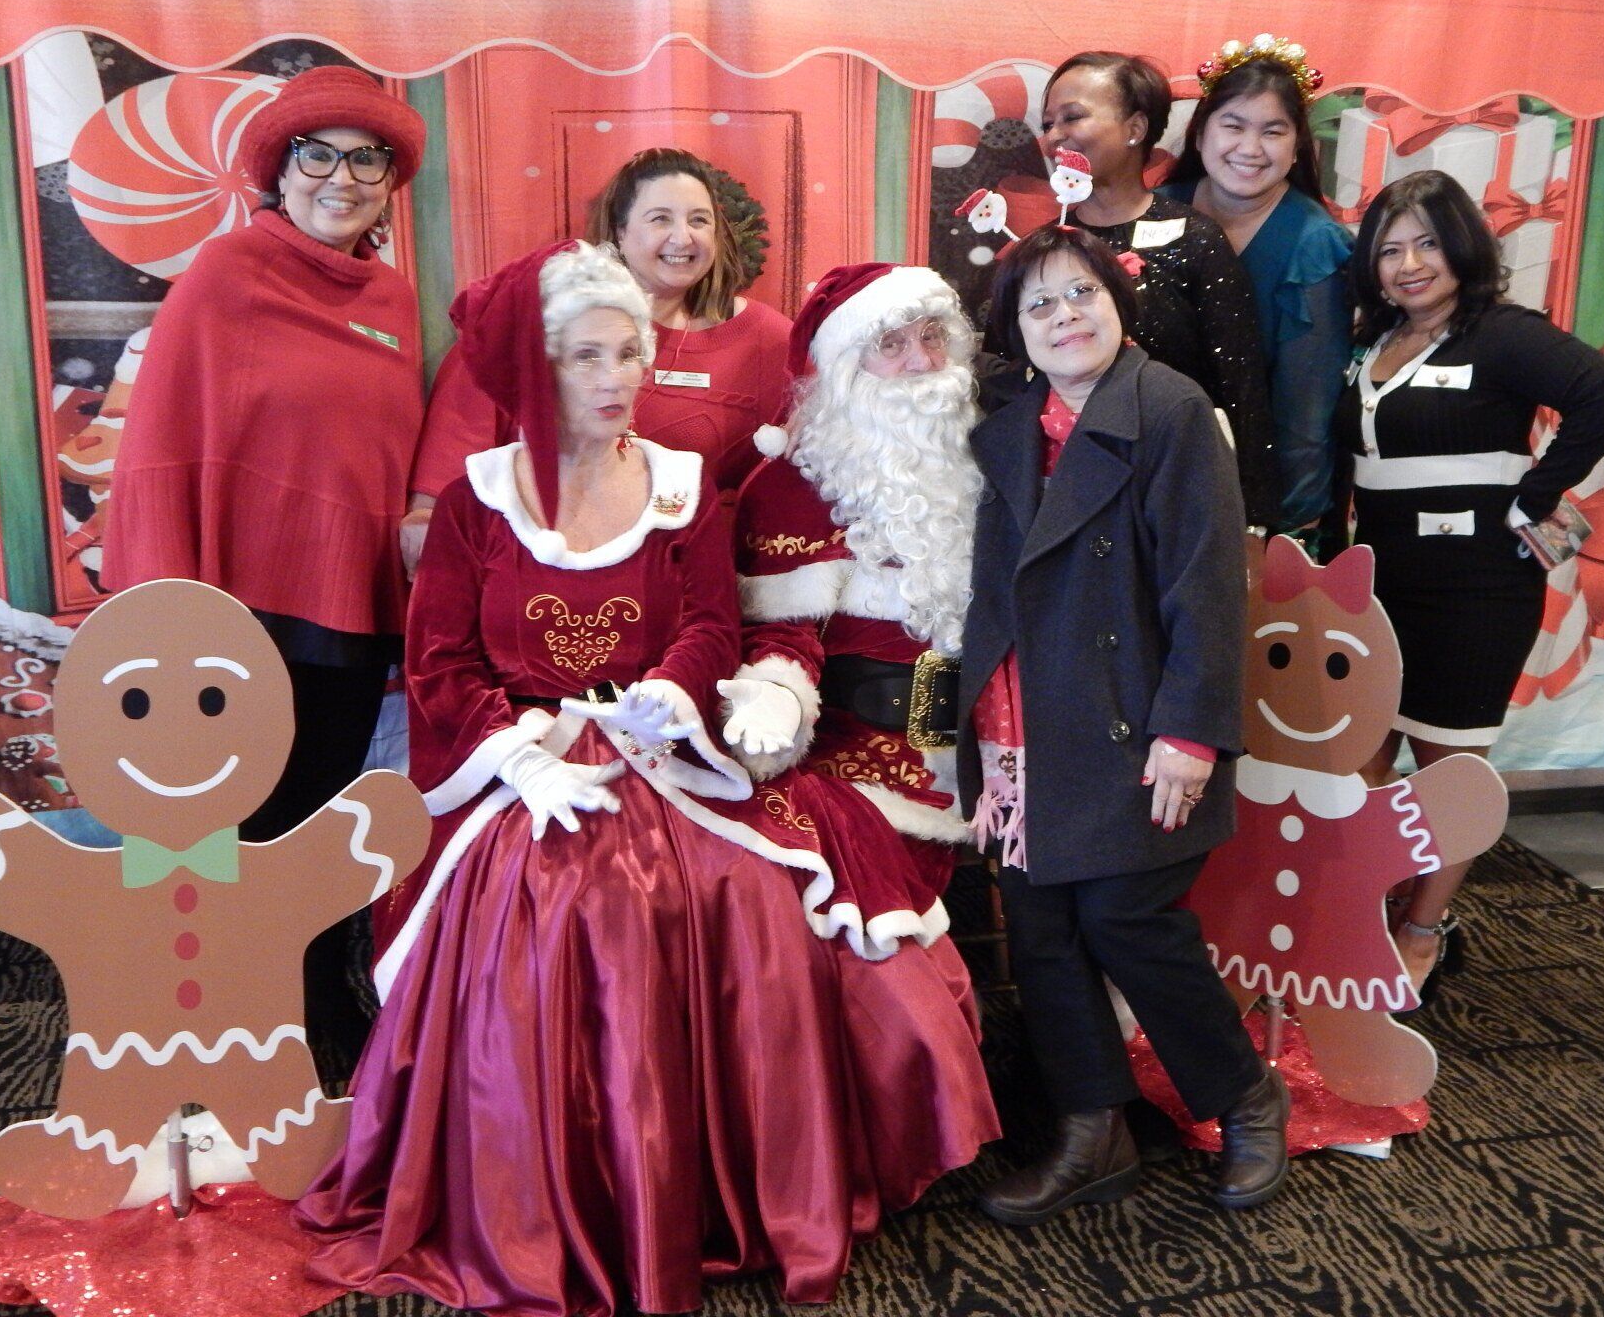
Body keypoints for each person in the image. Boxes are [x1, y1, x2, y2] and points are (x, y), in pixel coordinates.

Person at [299, 242, 996, 1315]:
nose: (618, 376)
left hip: (665, 752)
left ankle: (734, 1190)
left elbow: (716, 621)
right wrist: (519, 759)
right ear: (537, 370)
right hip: (523, 771)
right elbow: (439, 663)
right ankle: (564, 1198)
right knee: (562, 904)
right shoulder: (479, 504)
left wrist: (675, 694)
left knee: (752, 896)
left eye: (629, 352)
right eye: (589, 357)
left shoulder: (681, 488)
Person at [960, 223, 1290, 1224]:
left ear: (1118, 301)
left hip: (1134, 722)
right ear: (1015, 331)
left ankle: (1244, 1098)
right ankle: (1090, 1127)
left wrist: (1189, 733)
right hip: (1022, 722)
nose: (1065, 317)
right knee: (1046, 933)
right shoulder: (1009, 421)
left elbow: (1209, 592)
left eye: (1081, 295)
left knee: (1126, 920)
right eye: (1040, 305)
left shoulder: (1172, 410)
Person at [103, 64, 428, 1070]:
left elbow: (395, 454)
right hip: (237, 607)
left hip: (349, 602)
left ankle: (323, 996)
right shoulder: (227, 275)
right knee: (241, 822)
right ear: (280, 172)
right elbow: (162, 441)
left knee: (325, 820)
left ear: (388, 177)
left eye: (364, 156)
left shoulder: (394, 297)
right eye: (317, 154)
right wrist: (162, 605)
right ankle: (251, 1031)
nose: (342, 175)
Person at [1338, 171, 1604, 989]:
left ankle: (1425, 929)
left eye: (1427, 243)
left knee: (1448, 769)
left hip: (1474, 590)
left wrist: (1536, 495)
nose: (1408, 264)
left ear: (1464, 245)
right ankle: (1363, 909)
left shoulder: (1502, 333)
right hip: (1381, 584)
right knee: (1361, 759)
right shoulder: (1370, 341)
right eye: (1390, 249)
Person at [723, 263, 988, 929]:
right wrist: (773, 700)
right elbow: (778, 638)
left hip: (996, 755)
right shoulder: (792, 485)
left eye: (932, 338)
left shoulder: (994, 459)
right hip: (852, 757)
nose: (921, 363)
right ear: (844, 369)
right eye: (892, 344)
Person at [404, 147, 793, 567]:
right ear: (620, 232)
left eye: (699, 220)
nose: (683, 237)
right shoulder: (547, 310)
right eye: (660, 218)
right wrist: (428, 512)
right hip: (533, 559)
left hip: (677, 575)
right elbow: (464, 420)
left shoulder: (764, 340)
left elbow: (792, 466)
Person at [1038, 50, 1278, 528]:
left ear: (1135, 128)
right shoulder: (1042, 251)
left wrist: (1252, 522)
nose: (1054, 137)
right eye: (1048, 124)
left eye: (1073, 117)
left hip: (1174, 496)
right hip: (1065, 497)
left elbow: (1241, 389)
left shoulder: (1196, 238)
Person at [1164, 35, 1353, 545]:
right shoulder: (1152, 212)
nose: (1250, 149)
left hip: (1258, 505)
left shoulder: (1315, 246)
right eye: (1233, 125)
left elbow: (1306, 412)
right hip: (1150, 483)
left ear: (1296, 149)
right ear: (1201, 133)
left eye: (1273, 131)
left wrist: (1287, 526)